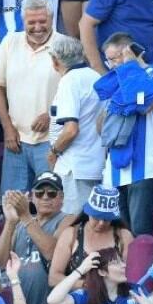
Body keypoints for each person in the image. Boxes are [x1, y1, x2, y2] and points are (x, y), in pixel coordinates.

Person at [0, 0, 60, 209]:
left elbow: (75, 91)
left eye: (43, 21)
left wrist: (52, 115)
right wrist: (7, 128)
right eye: (32, 22)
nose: (38, 27)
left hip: (51, 141)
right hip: (16, 141)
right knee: (12, 207)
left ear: (51, 19)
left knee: (51, 207)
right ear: (23, 22)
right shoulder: (10, 42)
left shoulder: (65, 45)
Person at [99, 32, 153, 235]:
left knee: (140, 232)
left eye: (115, 59)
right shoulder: (115, 82)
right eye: (108, 61)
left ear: (130, 52)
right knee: (121, 235)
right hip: (115, 168)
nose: (112, 66)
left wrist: (132, 68)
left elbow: (144, 105)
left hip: (145, 166)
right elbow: (103, 126)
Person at [0, 174, 72, 304]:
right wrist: (11, 222)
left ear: (61, 197)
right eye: (40, 193)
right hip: (17, 299)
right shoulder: (20, 224)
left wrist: (26, 216)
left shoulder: (68, 219)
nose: (45, 197)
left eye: (52, 193)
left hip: (45, 303)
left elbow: (51, 253)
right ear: (32, 198)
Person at [46, 36, 104, 215]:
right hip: (95, 161)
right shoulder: (96, 76)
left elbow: (71, 130)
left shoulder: (69, 81)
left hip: (74, 166)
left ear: (55, 61)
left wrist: (54, 151)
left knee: (72, 225)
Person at [48, 183, 133, 287]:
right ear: (88, 213)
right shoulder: (71, 234)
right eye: (96, 217)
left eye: (106, 219)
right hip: (77, 299)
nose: (101, 223)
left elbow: (130, 275)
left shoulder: (124, 236)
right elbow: (54, 278)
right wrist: (87, 286)